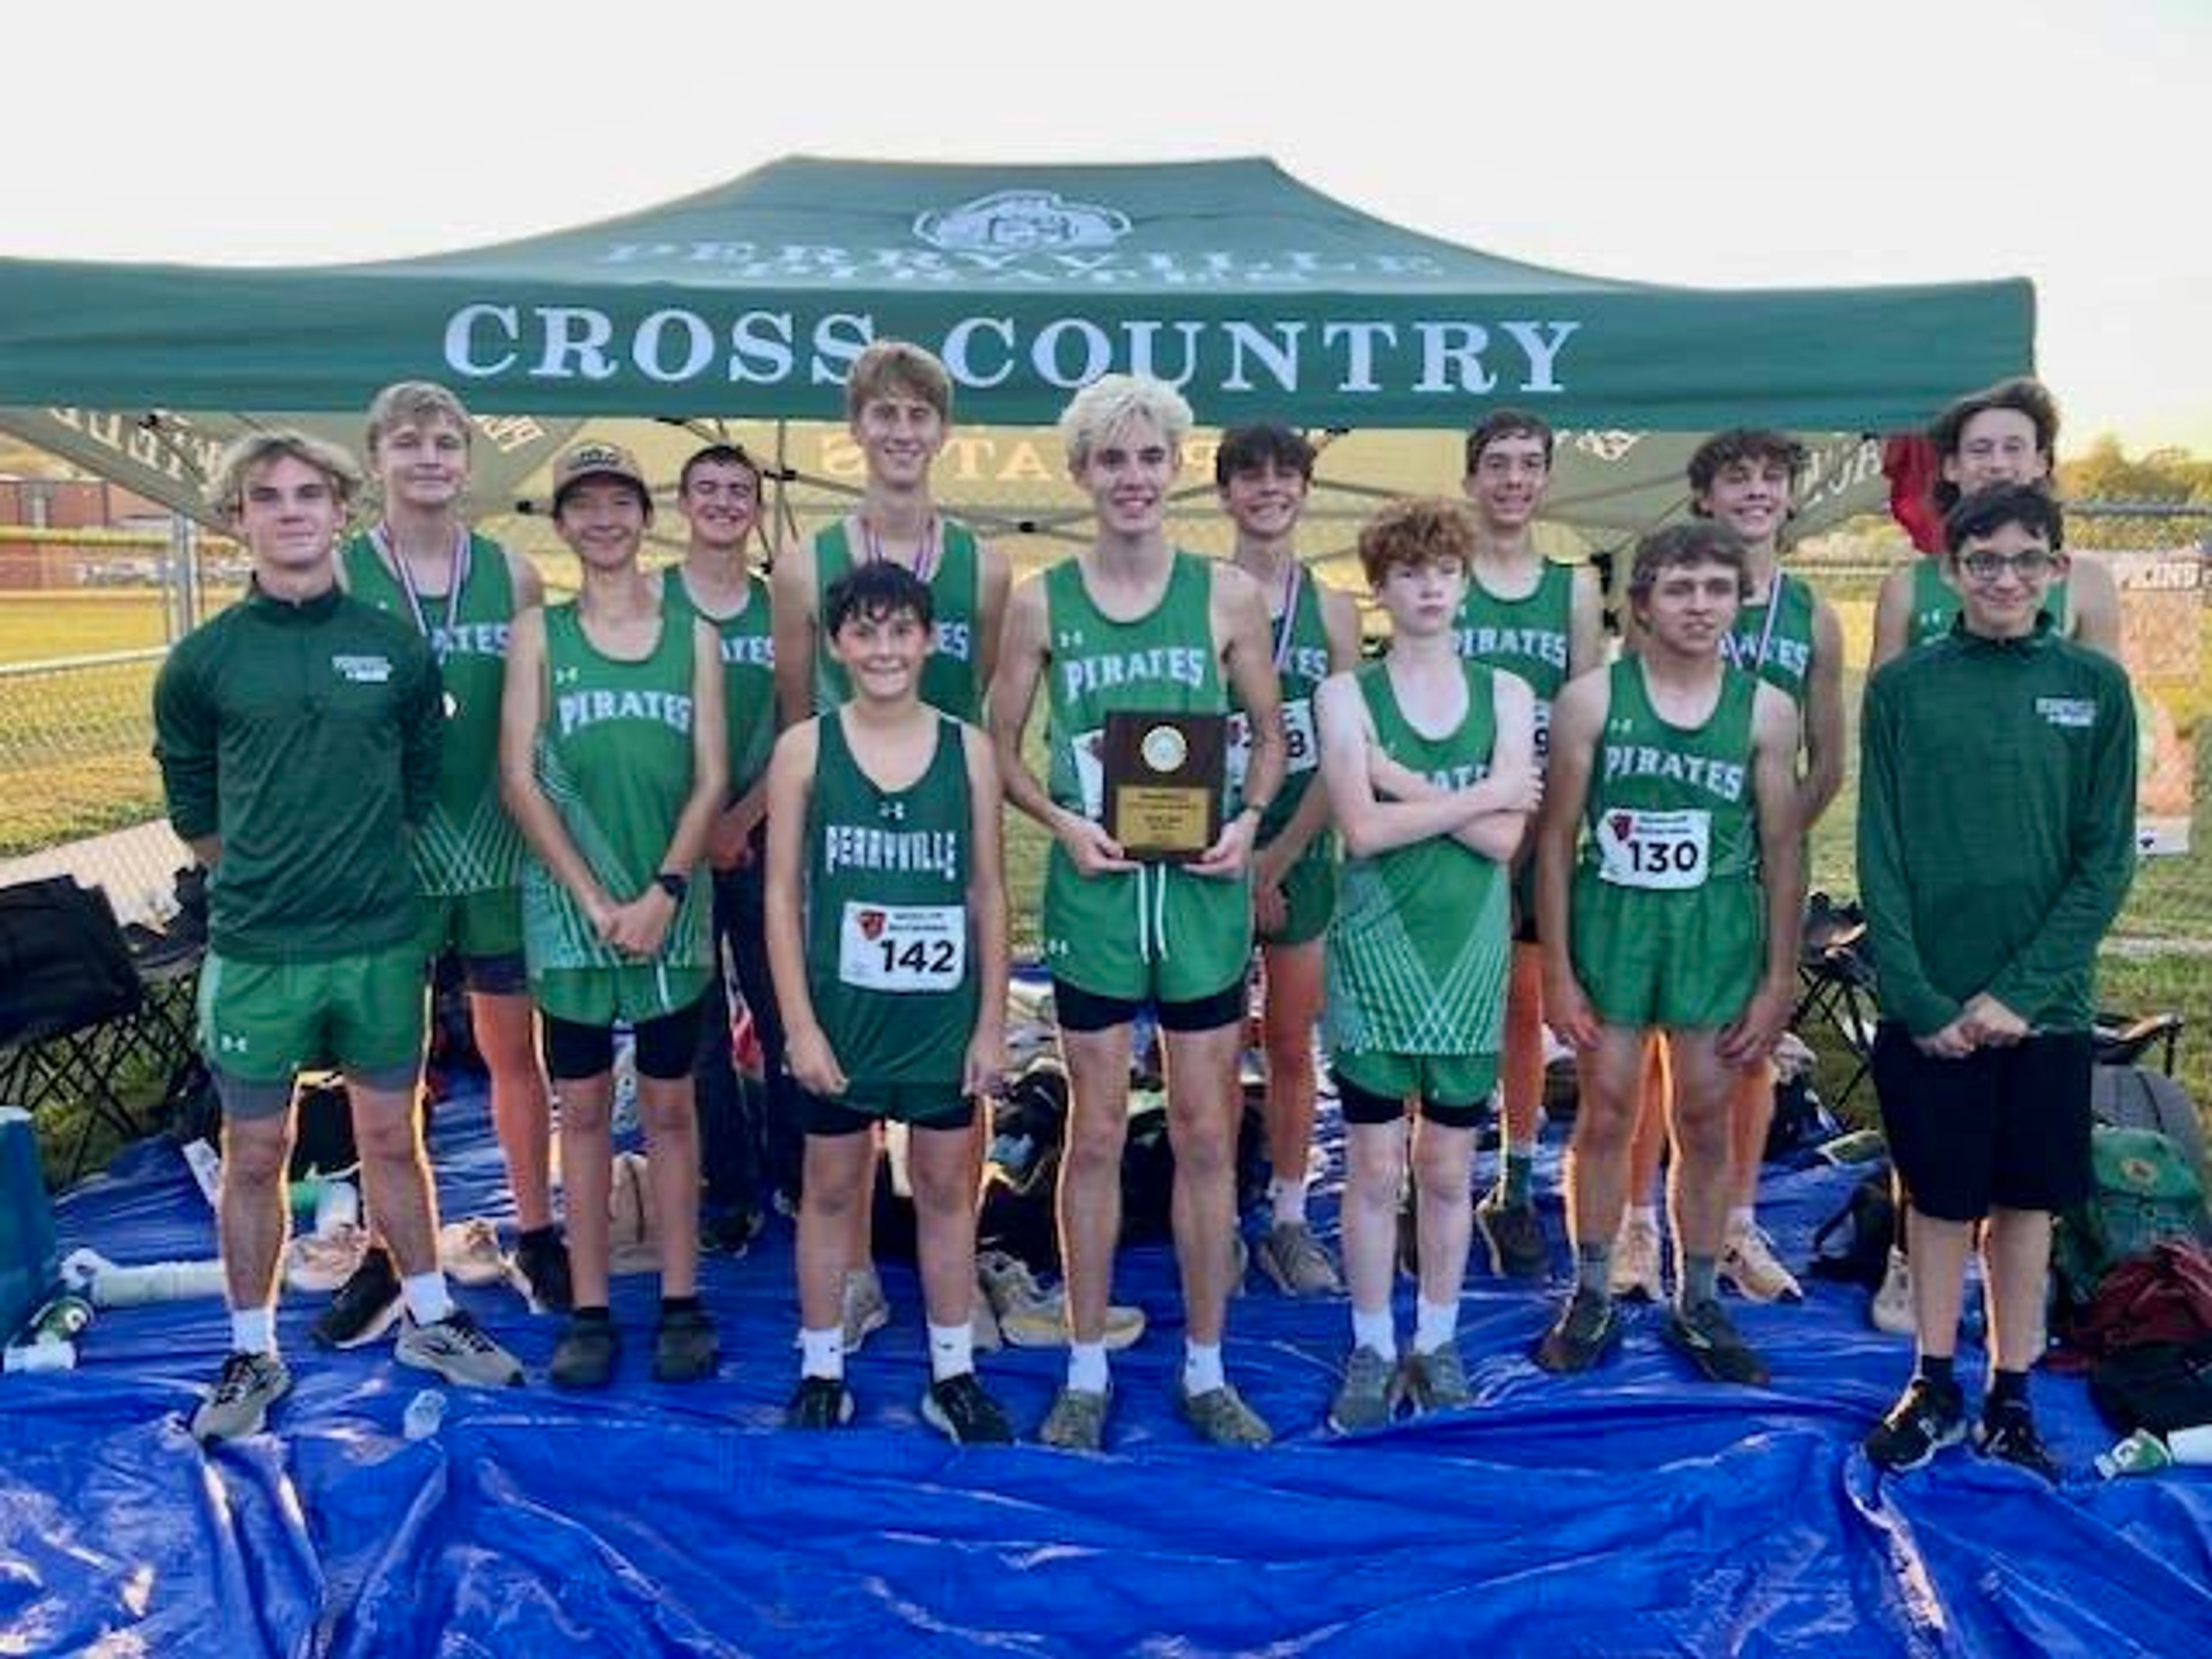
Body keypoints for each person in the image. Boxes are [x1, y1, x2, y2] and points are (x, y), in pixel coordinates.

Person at [155, 430, 523, 1441]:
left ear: (340, 513)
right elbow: (191, 795)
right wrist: (264, 869)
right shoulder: (205, 660)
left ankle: (433, 1319)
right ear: (239, 519)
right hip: (260, 947)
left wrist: (357, 860)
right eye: (267, 497)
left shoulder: (393, 647)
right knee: (255, 1150)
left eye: (309, 494)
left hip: (376, 940)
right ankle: (252, 1351)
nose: (290, 511)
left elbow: (416, 775)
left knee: (390, 1141)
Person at [991, 373, 1286, 1449]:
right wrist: (1065, 826)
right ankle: (1084, 1364)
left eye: (1150, 458)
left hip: (1202, 905)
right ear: (1080, 474)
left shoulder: (1225, 597)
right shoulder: (1040, 598)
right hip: (1100, 900)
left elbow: (1271, 737)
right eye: (1111, 460)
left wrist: (1249, 820)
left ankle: (1207, 1370)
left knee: (1211, 1136)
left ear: (1175, 470)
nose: (1132, 478)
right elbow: (1002, 747)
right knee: (1098, 1131)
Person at [1858, 483, 2137, 1479]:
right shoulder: (1903, 690)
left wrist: (2023, 991)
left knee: (2026, 1206)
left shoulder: (2095, 690)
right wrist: (1923, 997)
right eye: (1985, 562)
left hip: (2045, 1007)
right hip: (1930, 1002)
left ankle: (2009, 1394)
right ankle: (1930, 1382)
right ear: (1952, 572)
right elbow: (1880, 853)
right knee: (1935, 1198)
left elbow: (2105, 860)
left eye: (2027, 561)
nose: (2006, 578)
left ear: (2058, 571)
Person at [770, 339, 1012, 1353]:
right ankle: (853, 1289)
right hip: (844, 859)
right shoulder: (803, 564)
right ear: (857, 428)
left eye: (920, 416)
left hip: (942, 840)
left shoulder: (984, 568)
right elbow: (795, 704)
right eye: (885, 415)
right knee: (836, 1141)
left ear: (942, 432)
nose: (902, 433)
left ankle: (947, 1331)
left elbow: (984, 699)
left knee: (946, 1137)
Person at [328, 382, 569, 1345]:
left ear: (468, 463)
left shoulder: (512, 574)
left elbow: (536, 713)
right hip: (395, 857)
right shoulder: (344, 575)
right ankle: (393, 1255)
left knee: (519, 1052)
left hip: (499, 849)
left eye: (445, 444)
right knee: (390, 1066)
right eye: (409, 444)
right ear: (377, 458)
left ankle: (538, 1229)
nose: (429, 459)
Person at [1534, 521, 1802, 1386]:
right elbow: (1555, 840)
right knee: (1607, 1109)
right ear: (1642, 601)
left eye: (1716, 589)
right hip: (1616, 925)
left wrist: (1777, 978)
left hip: (1713, 928)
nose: (1698, 605)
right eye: (1679, 589)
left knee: (1704, 1113)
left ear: (1739, 599)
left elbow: (1785, 852)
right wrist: (1560, 971)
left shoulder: (1763, 707)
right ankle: (1590, 1289)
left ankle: (1698, 1296)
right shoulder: (1592, 700)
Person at [499, 442, 726, 1390]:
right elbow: (517, 775)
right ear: (561, 523)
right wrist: (595, 900)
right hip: (573, 914)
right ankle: (590, 1306)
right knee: (584, 1109)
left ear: (646, 515)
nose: (603, 521)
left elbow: (713, 775)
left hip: (668, 907)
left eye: (619, 503)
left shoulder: (693, 636)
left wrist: (664, 891)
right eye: (583, 505)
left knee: (672, 1108)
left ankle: (681, 1297)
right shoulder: (540, 634)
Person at [1315, 499, 1539, 1430]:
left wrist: (1403, 778)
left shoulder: (1508, 694)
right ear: (1382, 588)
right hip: (1373, 954)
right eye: (1409, 573)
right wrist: (1477, 790)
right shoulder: (1343, 697)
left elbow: (1503, 842)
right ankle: (1372, 1345)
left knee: (1447, 1169)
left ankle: (1437, 1338)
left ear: (1465, 578)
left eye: (1444, 570)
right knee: (1372, 1168)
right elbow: (1360, 832)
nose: (1429, 587)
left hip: (1466, 958)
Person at [1611, 431, 1845, 1306]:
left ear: (1791, 496)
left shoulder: (1811, 612)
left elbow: (1826, 760)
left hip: (1748, 872)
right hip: (1661, 867)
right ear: (1704, 496)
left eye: (1771, 479)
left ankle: (1736, 1226)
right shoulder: (1675, 589)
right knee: (1640, 1050)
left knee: (1746, 1054)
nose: (1755, 492)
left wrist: (1765, 849)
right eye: (1735, 478)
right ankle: (1635, 1221)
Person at [1450, 411, 1605, 1279]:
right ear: (1472, 477)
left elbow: (1581, 717)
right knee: (1433, 1002)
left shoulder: (1573, 588)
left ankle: (1511, 1178)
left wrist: (1559, 825)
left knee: (1520, 1006)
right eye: (1498, 465)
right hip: (1456, 820)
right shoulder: (1447, 577)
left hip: (1539, 821)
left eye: (1529, 465)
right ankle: (1414, 1172)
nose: (1513, 480)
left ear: (1546, 479)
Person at [1215, 424, 1361, 1297]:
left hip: (1302, 843)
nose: (1269, 490)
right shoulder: (1200, 596)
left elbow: (1344, 750)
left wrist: (1281, 857)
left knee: (1294, 1043)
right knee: (1216, 1044)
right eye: (1251, 477)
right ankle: (1225, 1212)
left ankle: (1291, 1214)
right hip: (1213, 847)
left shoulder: (1336, 610)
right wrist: (1238, 858)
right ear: (1227, 492)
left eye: (1285, 476)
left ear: (1305, 489)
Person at [666, 442, 792, 1253]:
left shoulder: (779, 608)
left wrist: (740, 820)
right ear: (681, 504)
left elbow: (801, 727)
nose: (722, 502)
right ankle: (730, 1188)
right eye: (706, 489)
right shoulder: (652, 601)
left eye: (738, 491)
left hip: (762, 836)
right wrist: (693, 831)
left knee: (785, 1013)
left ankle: (798, 1173)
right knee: (699, 1029)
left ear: (756, 506)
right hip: (673, 844)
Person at [1870, 377, 2120, 666]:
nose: (1998, 464)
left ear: (2041, 462)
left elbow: (2105, 699)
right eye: (1980, 449)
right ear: (1952, 467)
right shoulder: (1905, 588)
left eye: (2013, 448)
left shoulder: (2088, 582)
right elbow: (1881, 705)